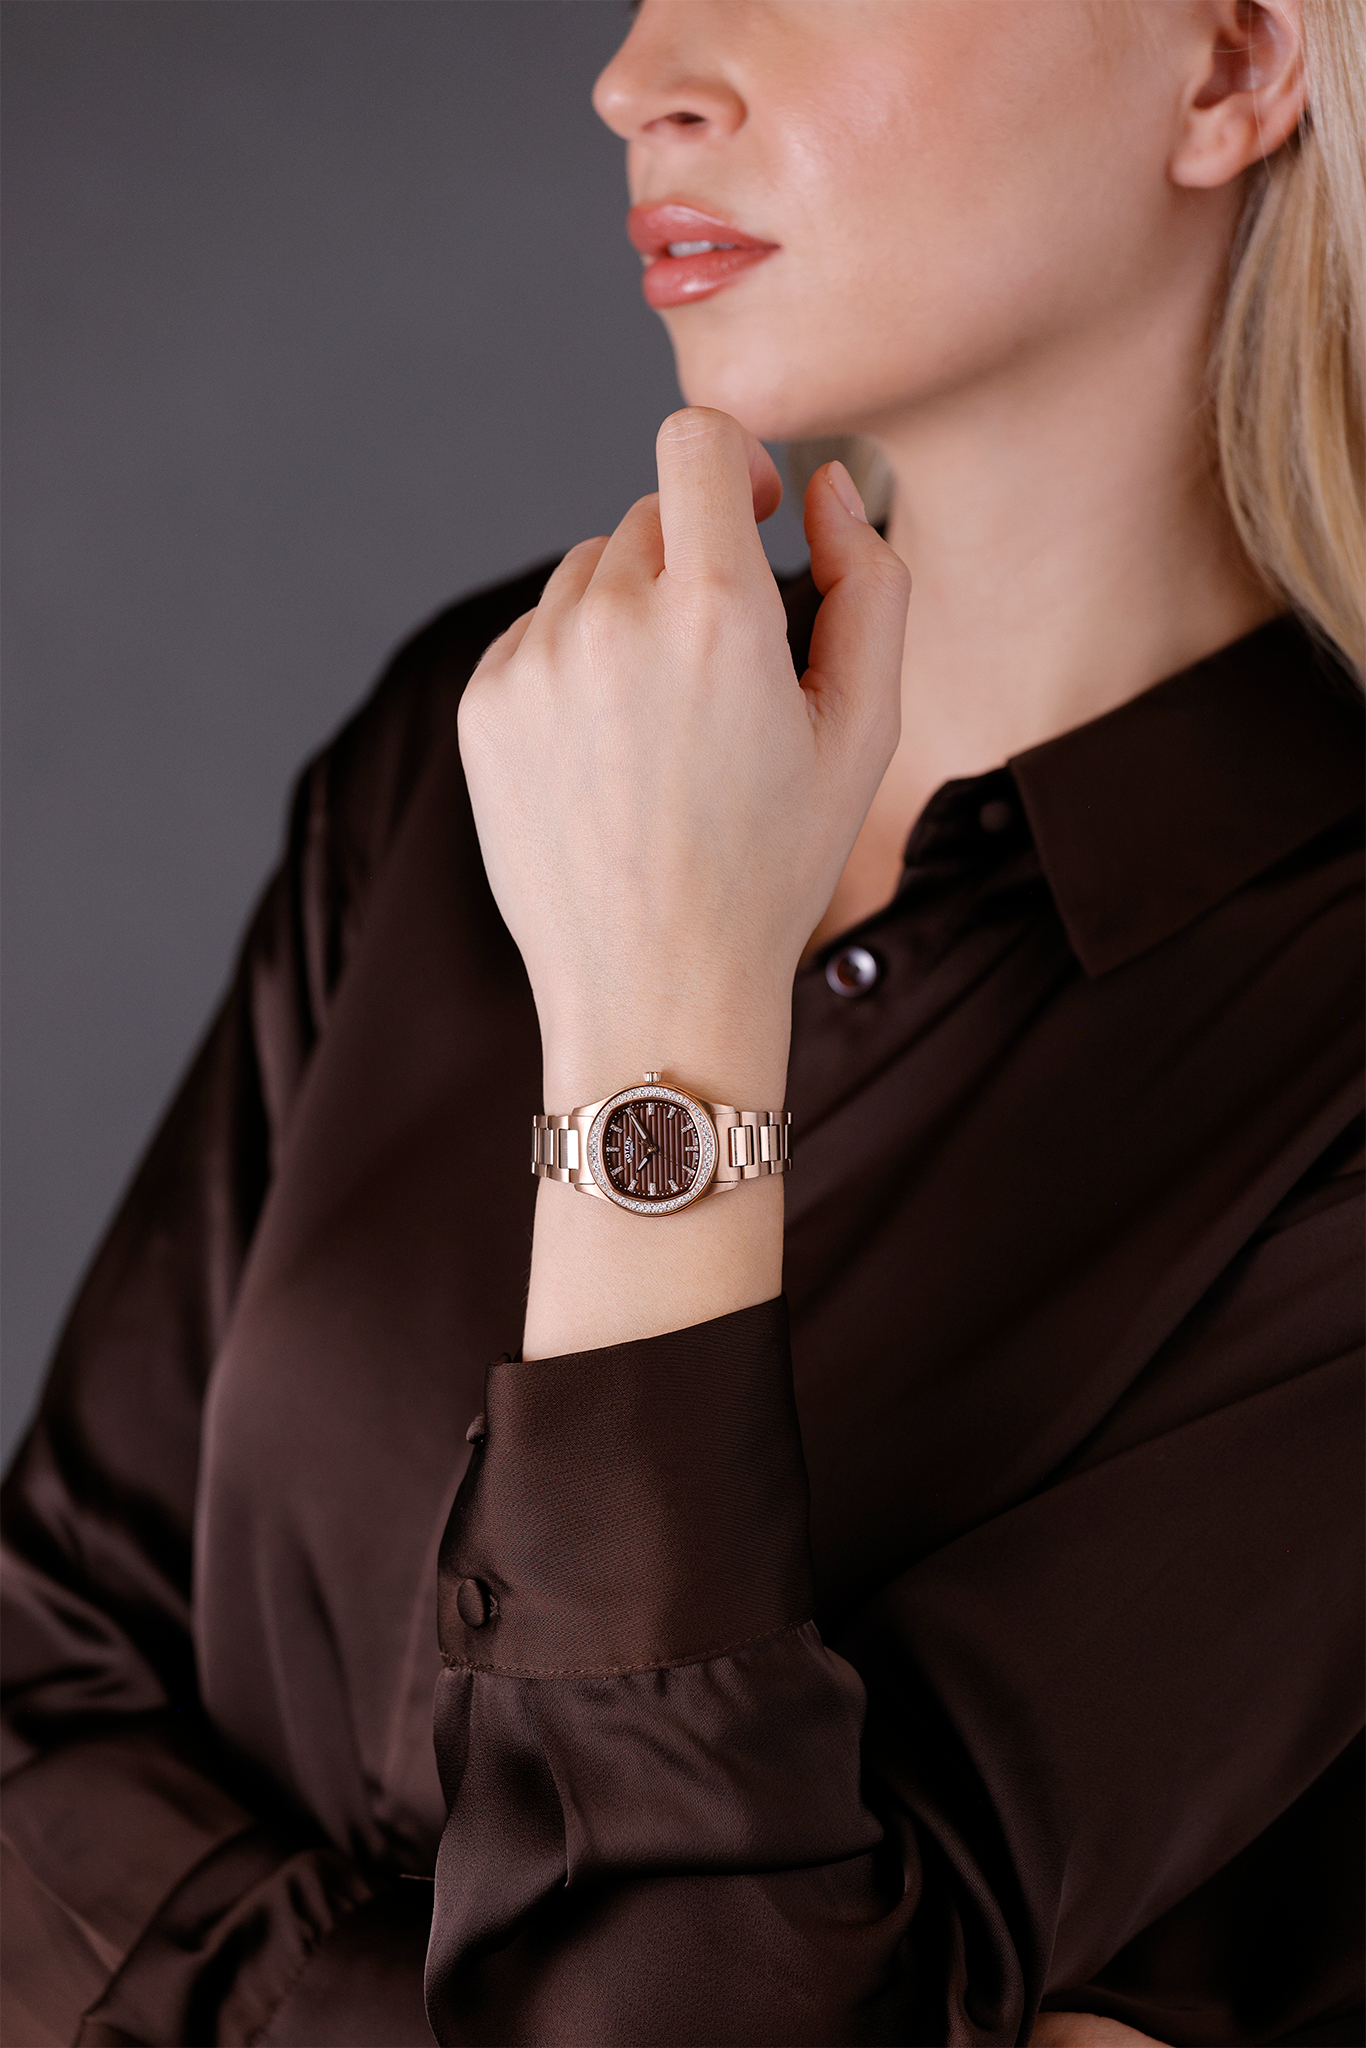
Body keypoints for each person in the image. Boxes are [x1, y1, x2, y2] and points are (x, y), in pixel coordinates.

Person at [1, 0, 1363, 2041]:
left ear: (1233, 67)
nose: (637, 78)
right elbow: (33, 1704)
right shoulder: (489, 729)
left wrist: (659, 1052)